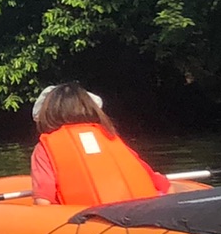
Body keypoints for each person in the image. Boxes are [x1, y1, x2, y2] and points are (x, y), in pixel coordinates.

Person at [29, 83, 169, 206]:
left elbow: (43, 202)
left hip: (92, 222)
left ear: (46, 114)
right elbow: (159, 182)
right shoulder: (108, 136)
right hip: (143, 213)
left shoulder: (44, 148)